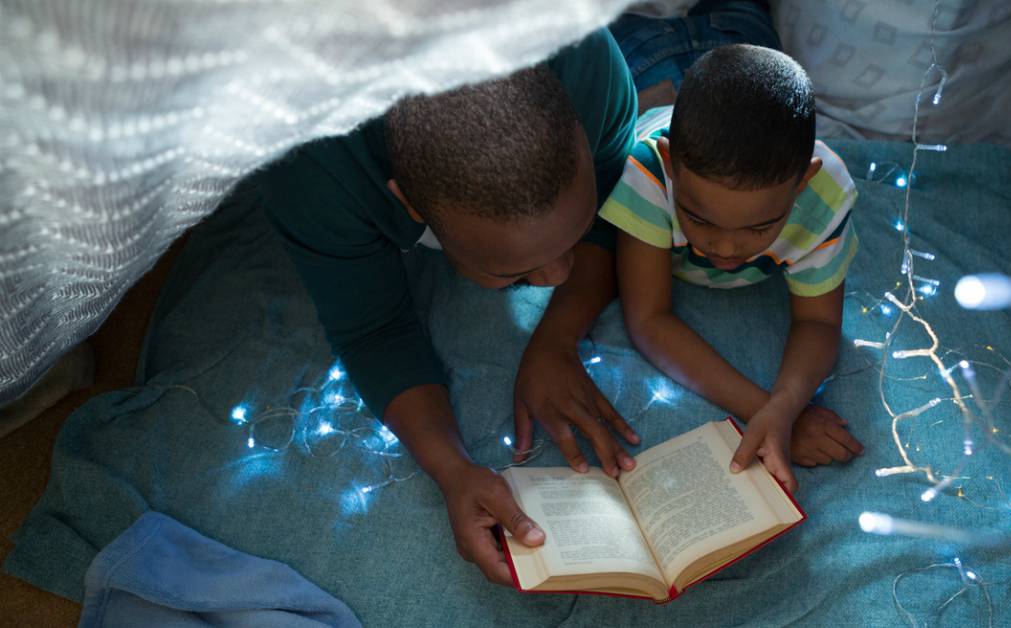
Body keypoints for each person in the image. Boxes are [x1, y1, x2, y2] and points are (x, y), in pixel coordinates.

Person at [260, 30, 640, 586]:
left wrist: (558, 336)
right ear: (408, 203)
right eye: (513, 273)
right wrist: (452, 469)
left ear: (581, 127)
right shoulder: (312, 165)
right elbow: (372, 330)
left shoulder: (589, 61)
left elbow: (617, 204)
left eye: (572, 234)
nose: (559, 277)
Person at [599, 44, 865, 493]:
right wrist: (770, 413)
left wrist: (785, 407)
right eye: (699, 219)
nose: (724, 248)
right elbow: (648, 319)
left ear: (803, 182)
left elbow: (820, 322)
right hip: (652, 60)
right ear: (671, 166)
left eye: (760, 226)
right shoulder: (647, 172)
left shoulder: (827, 195)